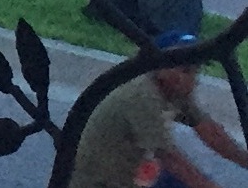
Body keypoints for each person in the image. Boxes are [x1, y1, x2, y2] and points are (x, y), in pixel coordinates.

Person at [69, 33, 248, 188]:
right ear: (160, 67)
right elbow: (170, 159)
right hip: (100, 182)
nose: (193, 79)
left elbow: (211, 132)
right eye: (186, 69)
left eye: (196, 70)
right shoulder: (141, 95)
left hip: (130, 173)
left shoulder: (174, 91)